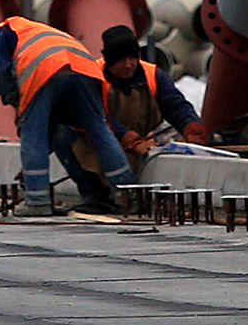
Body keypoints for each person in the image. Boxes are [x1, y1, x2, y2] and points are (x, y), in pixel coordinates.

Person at [0, 17, 132, 216]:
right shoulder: (33, 30)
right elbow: (53, 122)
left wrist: (10, 94)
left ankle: (38, 201)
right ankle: (128, 195)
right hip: (85, 67)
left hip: (45, 69)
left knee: (33, 134)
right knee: (99, 130)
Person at [59, 23, 207, 196]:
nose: (129, 65)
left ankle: (126, 195)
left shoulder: (153, 75)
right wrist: (129, 139)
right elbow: (99, 118)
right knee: (63, 137)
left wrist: (192, 128)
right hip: (96, 143)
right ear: (109, 60)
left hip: (139, 144)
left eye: (133, 58)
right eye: (121, 60)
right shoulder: (93, 77)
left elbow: (176, 106)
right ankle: (95, 195)